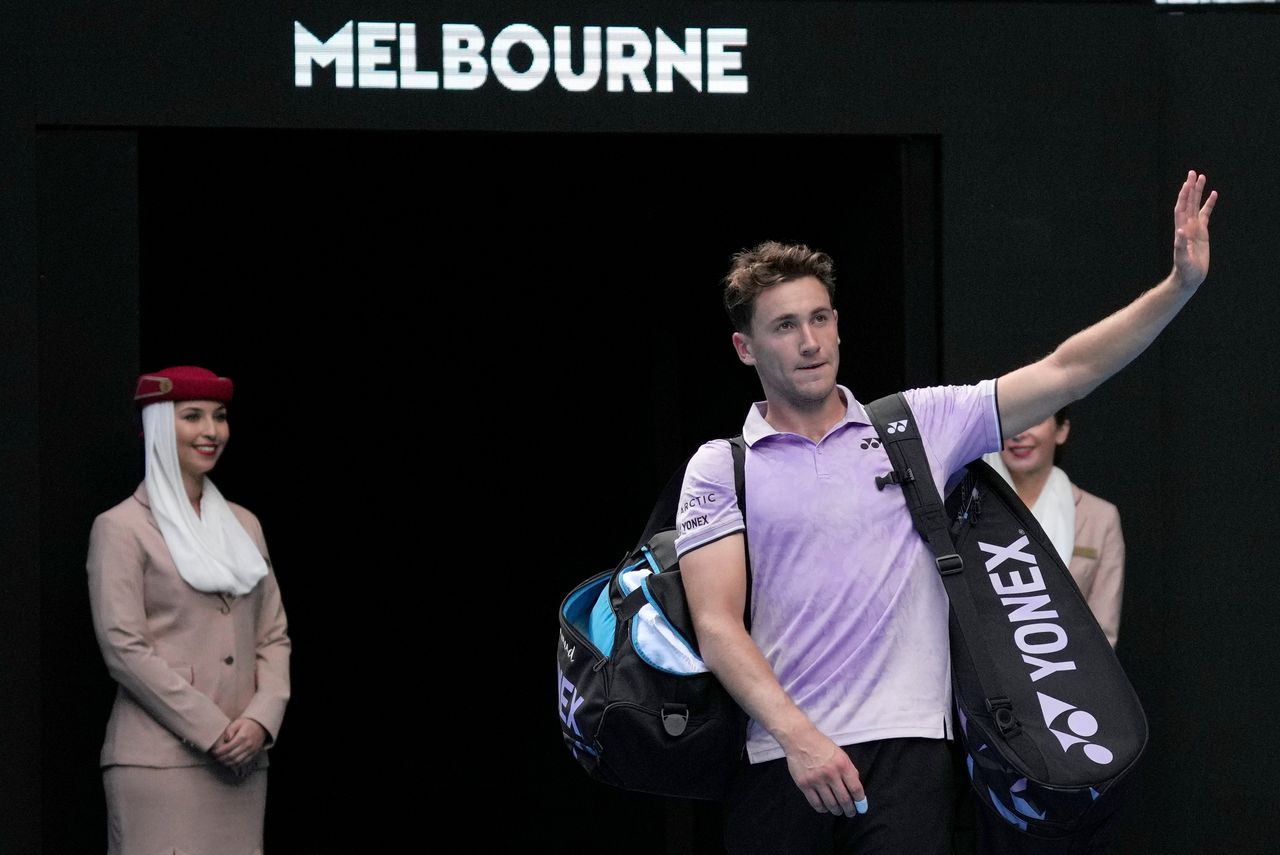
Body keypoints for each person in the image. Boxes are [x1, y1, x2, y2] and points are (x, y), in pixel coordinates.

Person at [673, 171, 1215, 853]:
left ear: (838, 324)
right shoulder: (723, 465)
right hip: (779, 758)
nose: (809, 341)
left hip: (909, 758)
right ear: (745, 348)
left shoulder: (915, 424)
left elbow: (1067, 370)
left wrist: (1178, 288)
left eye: (819, 318)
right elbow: (717, 625)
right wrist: (797, 736)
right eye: (784, 326)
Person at [87, 365, 291, 854]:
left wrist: (262, 719)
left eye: (219, 417)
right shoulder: (121, 527)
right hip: (161, 762)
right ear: (159, 426)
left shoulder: (244, 524)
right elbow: (124, 649)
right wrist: (213, 728)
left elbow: (273, 635)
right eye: (192, 416)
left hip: (244, 760)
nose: (211, 431)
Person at [984, 410, 1125, 648]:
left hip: (1068, 674)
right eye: (1010, 420)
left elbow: (1102, 634)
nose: (1019, 434)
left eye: (1034, 419)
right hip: (986, 674)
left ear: (1061, 430)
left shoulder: (1099, 517)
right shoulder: (968, 508)